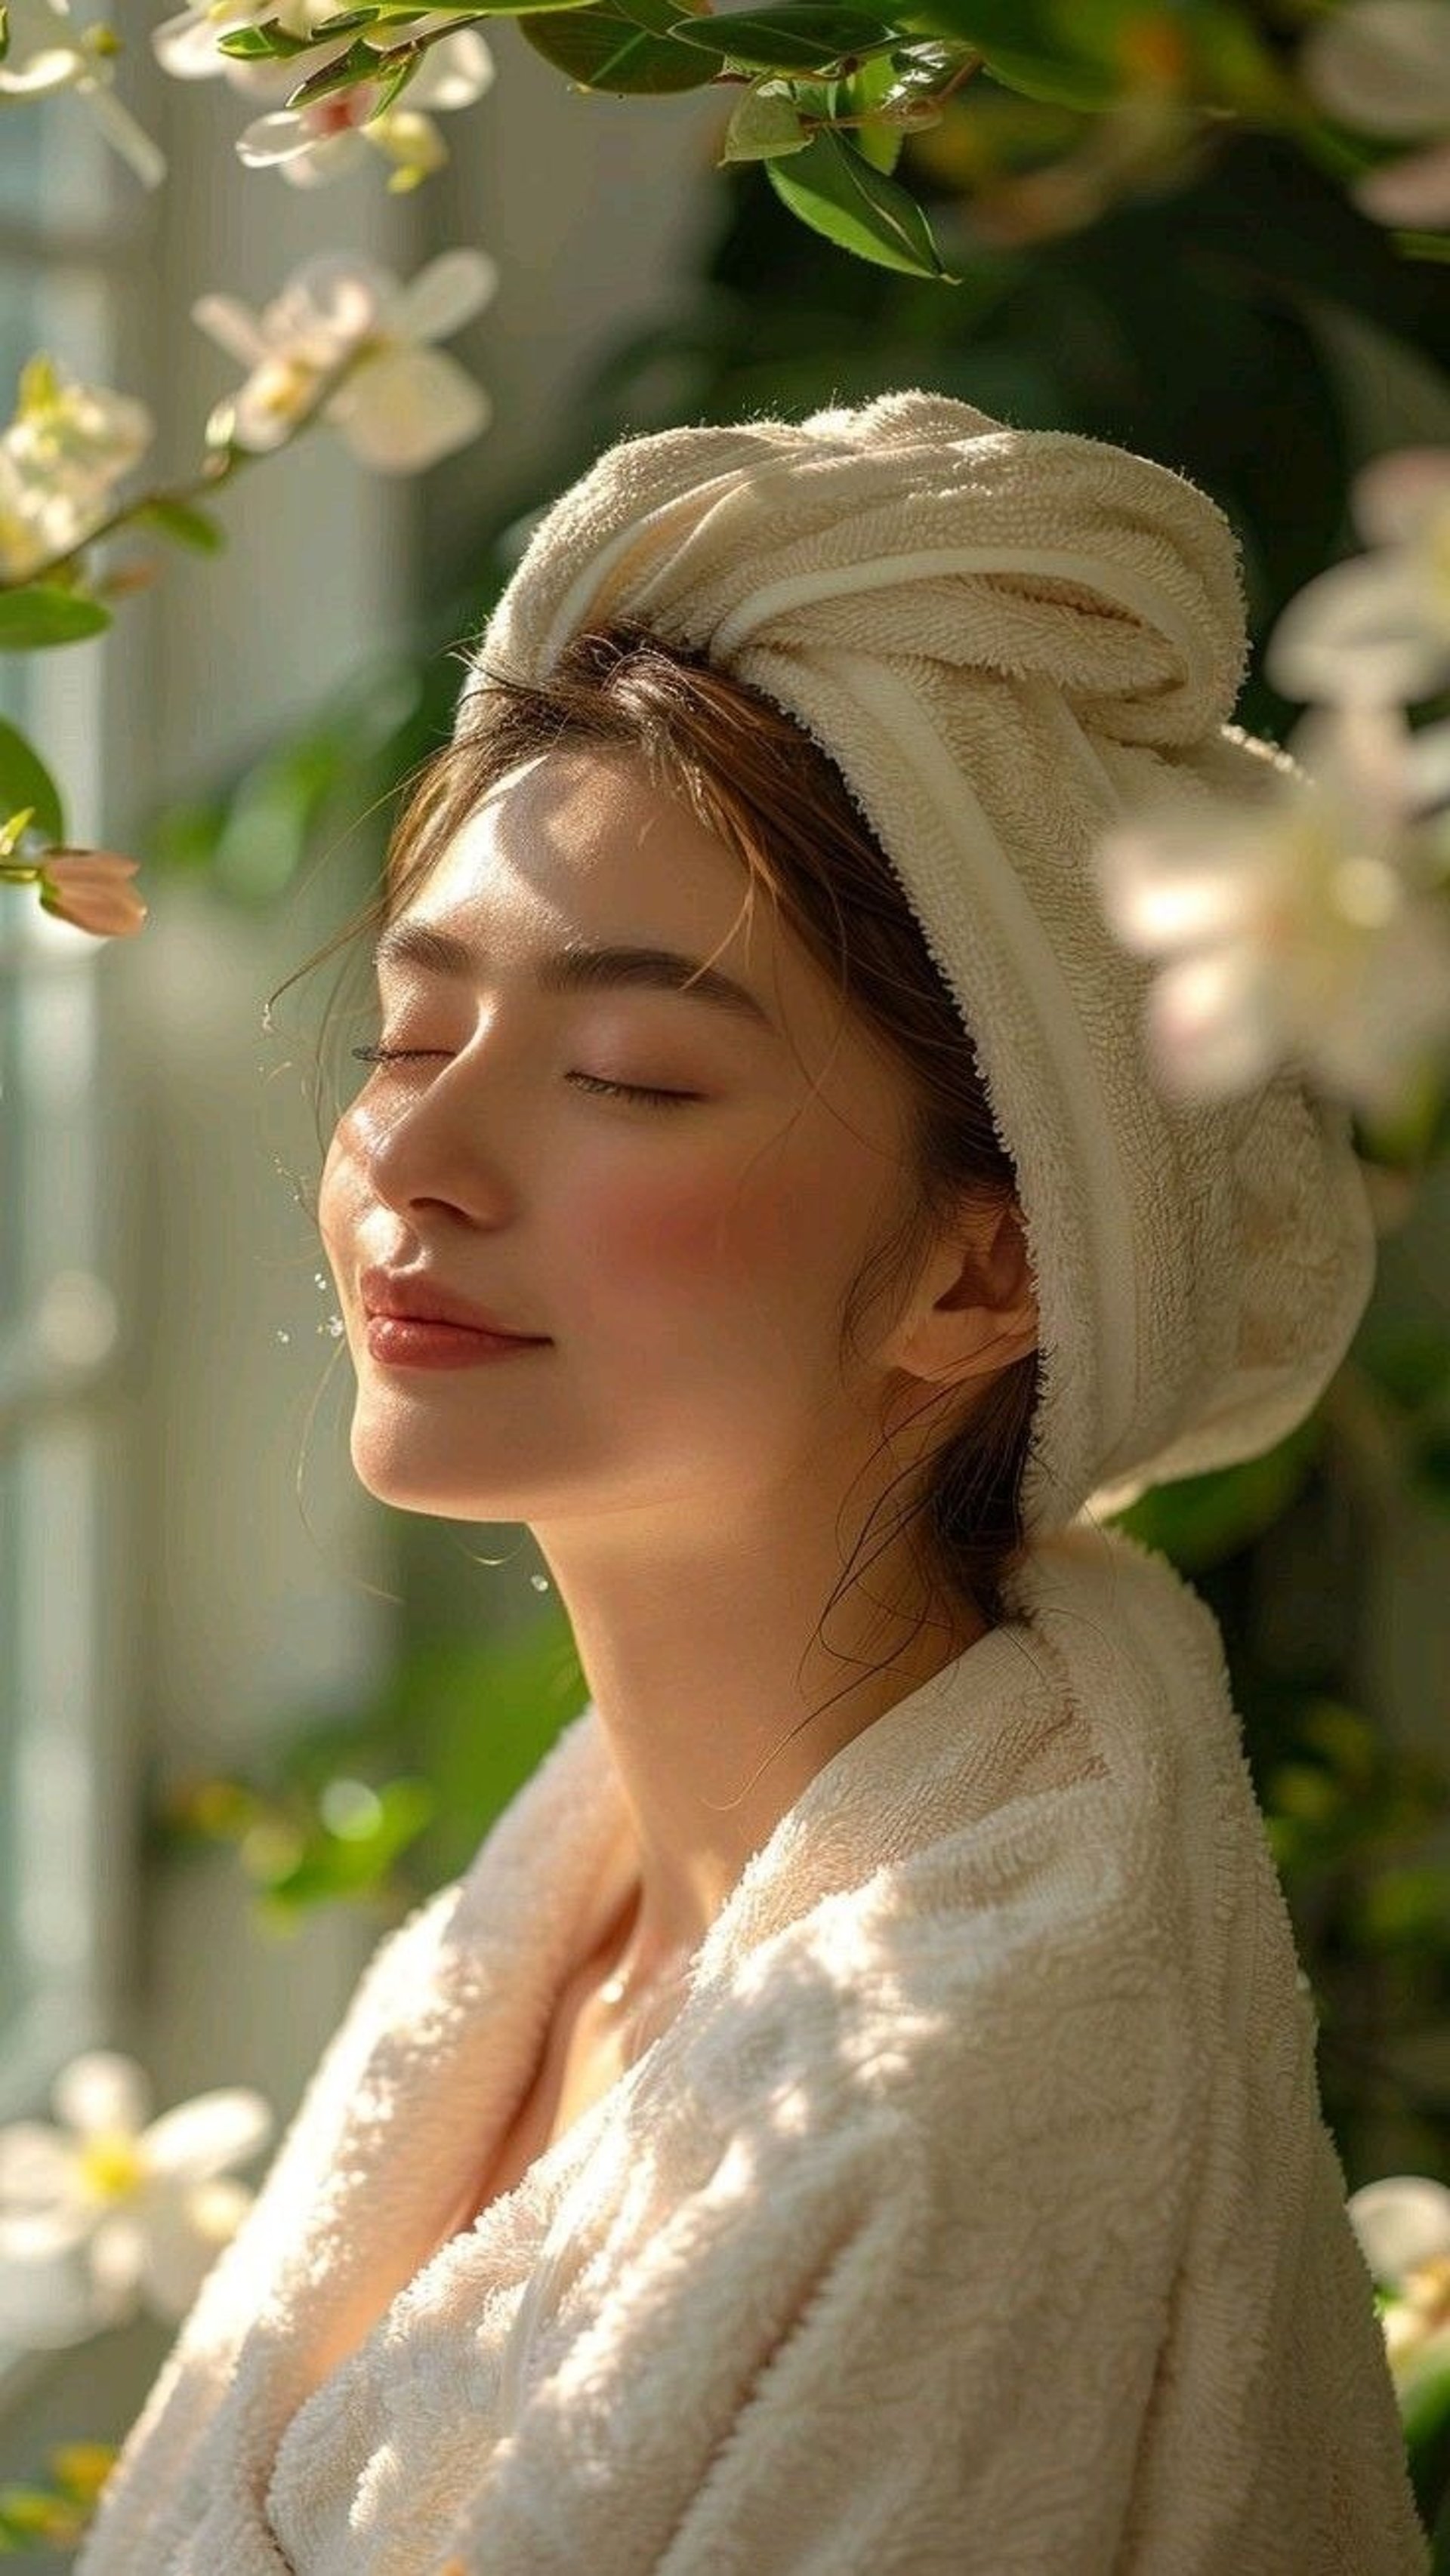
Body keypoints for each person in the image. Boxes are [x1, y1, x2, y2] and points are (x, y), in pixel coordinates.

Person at [76, 390, 1430, 2574]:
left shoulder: (971, 2105)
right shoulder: (592, 1909)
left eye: (625, 1071)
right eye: (414, 1035)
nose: (415, 1157)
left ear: (992, 1258)